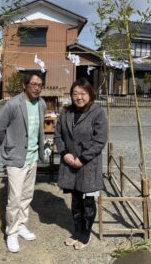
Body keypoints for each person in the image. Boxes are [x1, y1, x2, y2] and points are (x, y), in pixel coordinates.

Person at [0, 72, 46, 253]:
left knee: (26, 195)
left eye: (40, 84)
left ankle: (22, 225)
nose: (37, 87)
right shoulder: (14, 104)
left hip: (32, 158)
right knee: (14, 198)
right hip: (16, 158)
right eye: (33, 84)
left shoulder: (41, 104)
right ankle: (12, 232)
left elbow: (39, 130)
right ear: (25, 85)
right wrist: (8, 146)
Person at [54, 78, 107, 250]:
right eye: (75, 94)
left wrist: (82, 158)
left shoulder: (97, 112)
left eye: (83, 93)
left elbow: (99, 140)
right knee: (76, 199)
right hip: (70, 163)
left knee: (88, 201)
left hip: (88, 164)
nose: (79, 97)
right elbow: (57, 136)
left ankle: (85, 234)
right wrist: (64, 153)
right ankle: (77, 230)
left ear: (90, 94)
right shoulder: (66, 113)